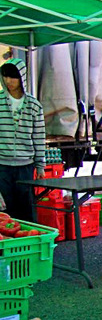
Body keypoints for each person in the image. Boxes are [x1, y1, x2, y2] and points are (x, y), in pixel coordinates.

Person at [0, 59, 45, 222]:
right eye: (5, 76)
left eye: (13, 77)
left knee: (26, 207)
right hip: (2, 165)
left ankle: (29, 241)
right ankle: (7, 244)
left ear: (22, 78)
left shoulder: (34, 106)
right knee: (5, 209)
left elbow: (39, 136)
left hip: (26, 165)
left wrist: (40, 165)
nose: (8, 81)